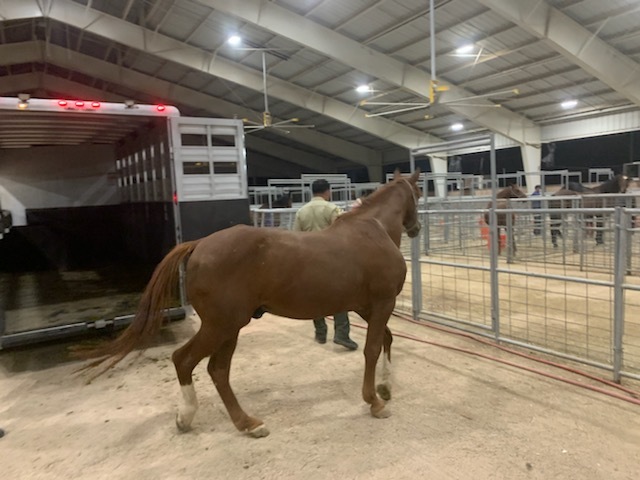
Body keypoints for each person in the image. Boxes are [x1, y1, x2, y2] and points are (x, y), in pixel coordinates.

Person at [293, 179, 358, 351]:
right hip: (330, 259)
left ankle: (320, 333)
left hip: (308, 260)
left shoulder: (301, 211)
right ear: (327, 192)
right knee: (340, 295)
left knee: (315, 296)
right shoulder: (332, 209)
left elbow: (296, 236)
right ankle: (341, 334)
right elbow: (345, 229)